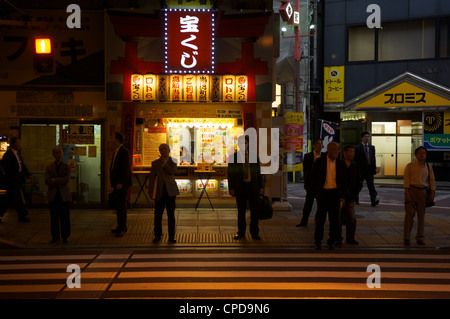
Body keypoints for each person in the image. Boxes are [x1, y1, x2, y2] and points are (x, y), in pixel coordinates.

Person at [227, 135, 264, 240]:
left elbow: (258, 172)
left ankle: (254, 233)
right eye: (242, 143)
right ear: (238, 145)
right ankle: (241, 232)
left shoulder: (254, 156)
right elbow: (230, 174)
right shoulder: (233, 157)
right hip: (240, 187)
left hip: (253, 187)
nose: (244, 145)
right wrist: (231, 188)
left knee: (254, 211)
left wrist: (260, 186)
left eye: (245, 143)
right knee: (241, 211)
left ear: (248, 145)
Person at [311, 142, 345, 250]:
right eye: (335, 150)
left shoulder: (340, 163)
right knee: (320, 219)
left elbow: (343, 181)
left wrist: (342, 195)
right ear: (329, 150)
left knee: (334, 219)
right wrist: (316, 191)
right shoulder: (320, 161)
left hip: (334, 194)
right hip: (323, 193)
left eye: (338, 150)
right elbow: (312, 177)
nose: (337, 152)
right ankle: (318, 240)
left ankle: (331, 240)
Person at [403, 146, 435, 246]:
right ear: (415, 155)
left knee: (421, 216)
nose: (422, 155)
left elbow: (432, 180)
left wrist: (432, 193)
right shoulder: (410, 166)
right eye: (420, 153)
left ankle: (420, 237)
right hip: (411, 190)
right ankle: (406, 237)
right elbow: (406, 180)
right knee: (409, 215)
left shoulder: (428, 167)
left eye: (424, 153)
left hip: (423, 192)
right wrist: (407, 193)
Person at [148, 143, 180, 243]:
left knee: (171, 215)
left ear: (168, 150)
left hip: (170, 192)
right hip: (159, 192)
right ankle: (157, 235)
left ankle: (171, 236)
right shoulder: (155, 163)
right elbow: (152, 178)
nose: (163, 151)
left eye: (165, 149)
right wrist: (150, 191)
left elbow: (172, 172)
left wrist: (164, 164)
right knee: (158, 215)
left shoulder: (173, 161)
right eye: (161, 149)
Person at [0, 137, 32, 222]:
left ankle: (20, 215)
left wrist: (28, 174)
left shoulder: (18, 154)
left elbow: (22, 166)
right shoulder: (8, 154)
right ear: (13, 144)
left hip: (17, 179)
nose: (19, 144)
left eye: (19, 143)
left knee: (9, 199)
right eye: (17, 143)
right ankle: (22, 215)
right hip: (12, 180)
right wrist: (12, 176)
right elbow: (6, 167)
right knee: (17, 198)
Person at [45, 147, 71, 244]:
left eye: (59, 153)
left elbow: (66, 179)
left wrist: (54, 180)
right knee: (54, 217)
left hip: (63, 195)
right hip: (53, 195)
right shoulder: (49, 167)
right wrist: (59, 180)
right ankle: (55, 237)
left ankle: (65, 236)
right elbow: (47, 180)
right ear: (53, 154)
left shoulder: (66, 166)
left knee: (65, 217)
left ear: (62, 154)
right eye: (56, 153)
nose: (58, 155)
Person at [110, 132, 132, 237]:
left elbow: (125, 169)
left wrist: (120, 183)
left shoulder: (124, 151)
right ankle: (120, 226)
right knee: (118, 206)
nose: (111, 140)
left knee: (121, 206)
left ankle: (122, 227)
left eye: (113, 138)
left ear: (118, 139)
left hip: (121, 184)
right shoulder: (117, 151)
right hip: (116, 184)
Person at [297, 138, 322, 227]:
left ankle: (318, 221)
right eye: (318, 144)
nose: (320, 145)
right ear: (314, 146)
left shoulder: (324, 156)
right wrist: (306, 184)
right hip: (310, 185)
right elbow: (306, 171)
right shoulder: (308, 156)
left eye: (321, 144)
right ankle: (304, 221)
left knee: (321, 206)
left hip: (321, 186)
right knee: (308, 204)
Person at [338, 145, 360, 246]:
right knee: (338, 218)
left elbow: (358, 182)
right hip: (339, 196)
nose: (352, 154)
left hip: (350, 196)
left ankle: (350, 237)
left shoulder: (354, 166)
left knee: (352, 218)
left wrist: (354, 193)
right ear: (345, 153)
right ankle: (338, 237)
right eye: (350, 152)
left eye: (353, 152)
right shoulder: (339, 164)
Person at [354, 131, 379, 207]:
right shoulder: (357, 148)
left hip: (369, 170)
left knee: (371, 186)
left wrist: (374, 168)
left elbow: (373, 158)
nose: (367, 138)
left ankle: (373, 201)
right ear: (362, 138)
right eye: (365, 137)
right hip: (361, 170)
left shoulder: (372, 147)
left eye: (368, 137)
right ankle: (355, 199)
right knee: (359, 185)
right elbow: (355, 159)